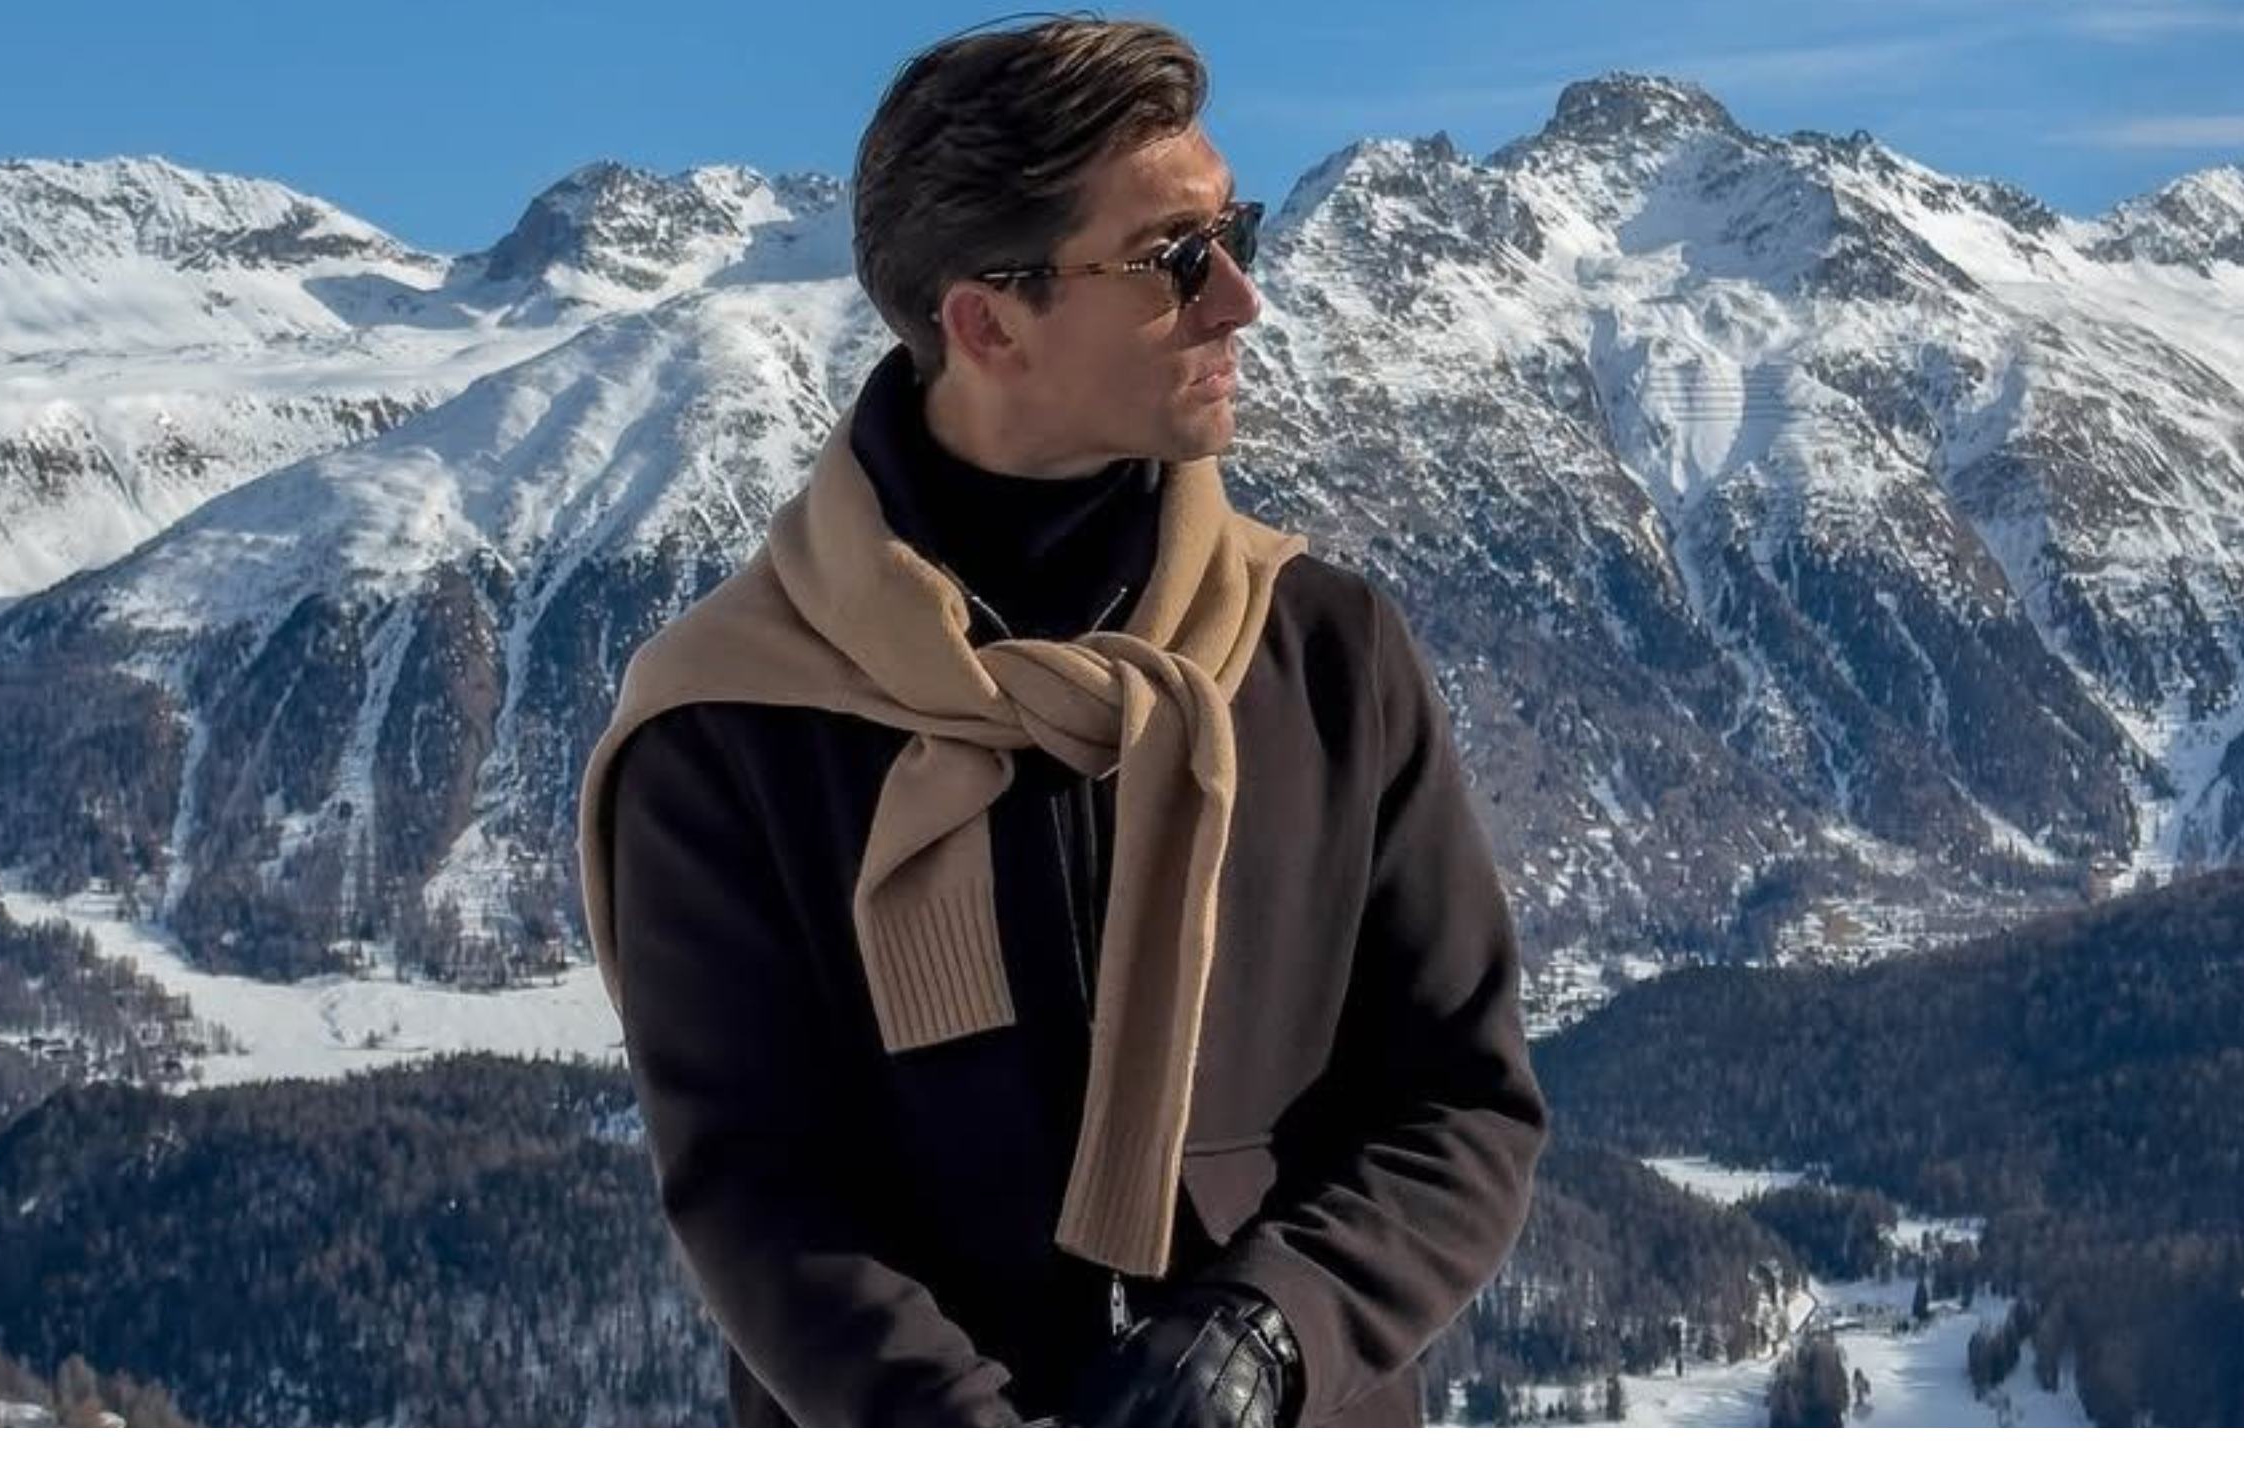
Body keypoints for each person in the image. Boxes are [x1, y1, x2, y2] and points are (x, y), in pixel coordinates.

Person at [576, 15, 1545, 1427]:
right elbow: (757, 1185)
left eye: (1235, 234)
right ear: (987, 322)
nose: (1239, 300)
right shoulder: (731, 719)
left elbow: (1462, 1106)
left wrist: (1269, 1332)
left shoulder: (1324, 652)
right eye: (1174, 258)